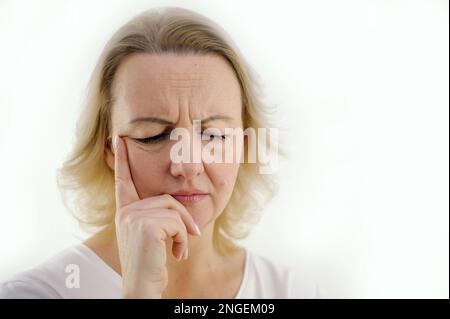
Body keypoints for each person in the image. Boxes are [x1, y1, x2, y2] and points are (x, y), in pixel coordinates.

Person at [0, 6, 320, 299]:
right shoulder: (40, 293)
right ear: (108, 148)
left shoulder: (291, 291)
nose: (188, 164)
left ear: (245, 146)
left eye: (213, 134)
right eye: (153, 136)